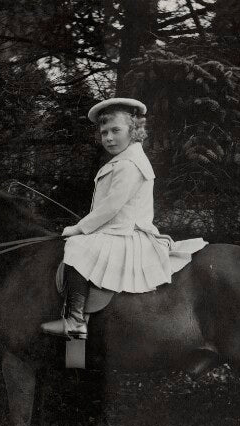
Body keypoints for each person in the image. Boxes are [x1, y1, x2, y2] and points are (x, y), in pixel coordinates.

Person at [40, 97, 207, 340]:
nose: (108, 138)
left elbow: (110, 208)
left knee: (76, 247)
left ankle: (75, 320)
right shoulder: (121, 160)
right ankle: (75, 343)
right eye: (104, 132)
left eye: (115, 130)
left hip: (126, 235)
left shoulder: (130, 163)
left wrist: (79, 228)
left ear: (134, 130)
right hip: (115, 232)